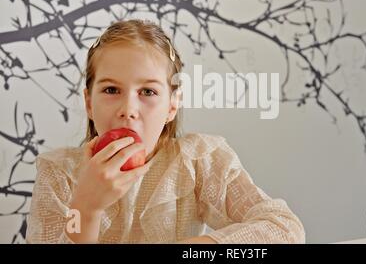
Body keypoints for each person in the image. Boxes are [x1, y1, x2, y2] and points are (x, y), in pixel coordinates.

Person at [25, 19, 305, 244]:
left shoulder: (199, 161)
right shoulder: (59, 174)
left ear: (172, 105)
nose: (128, 109)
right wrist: (85, 209)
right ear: (88, 102)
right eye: (111, 90)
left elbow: (284, 228)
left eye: (147, 91)